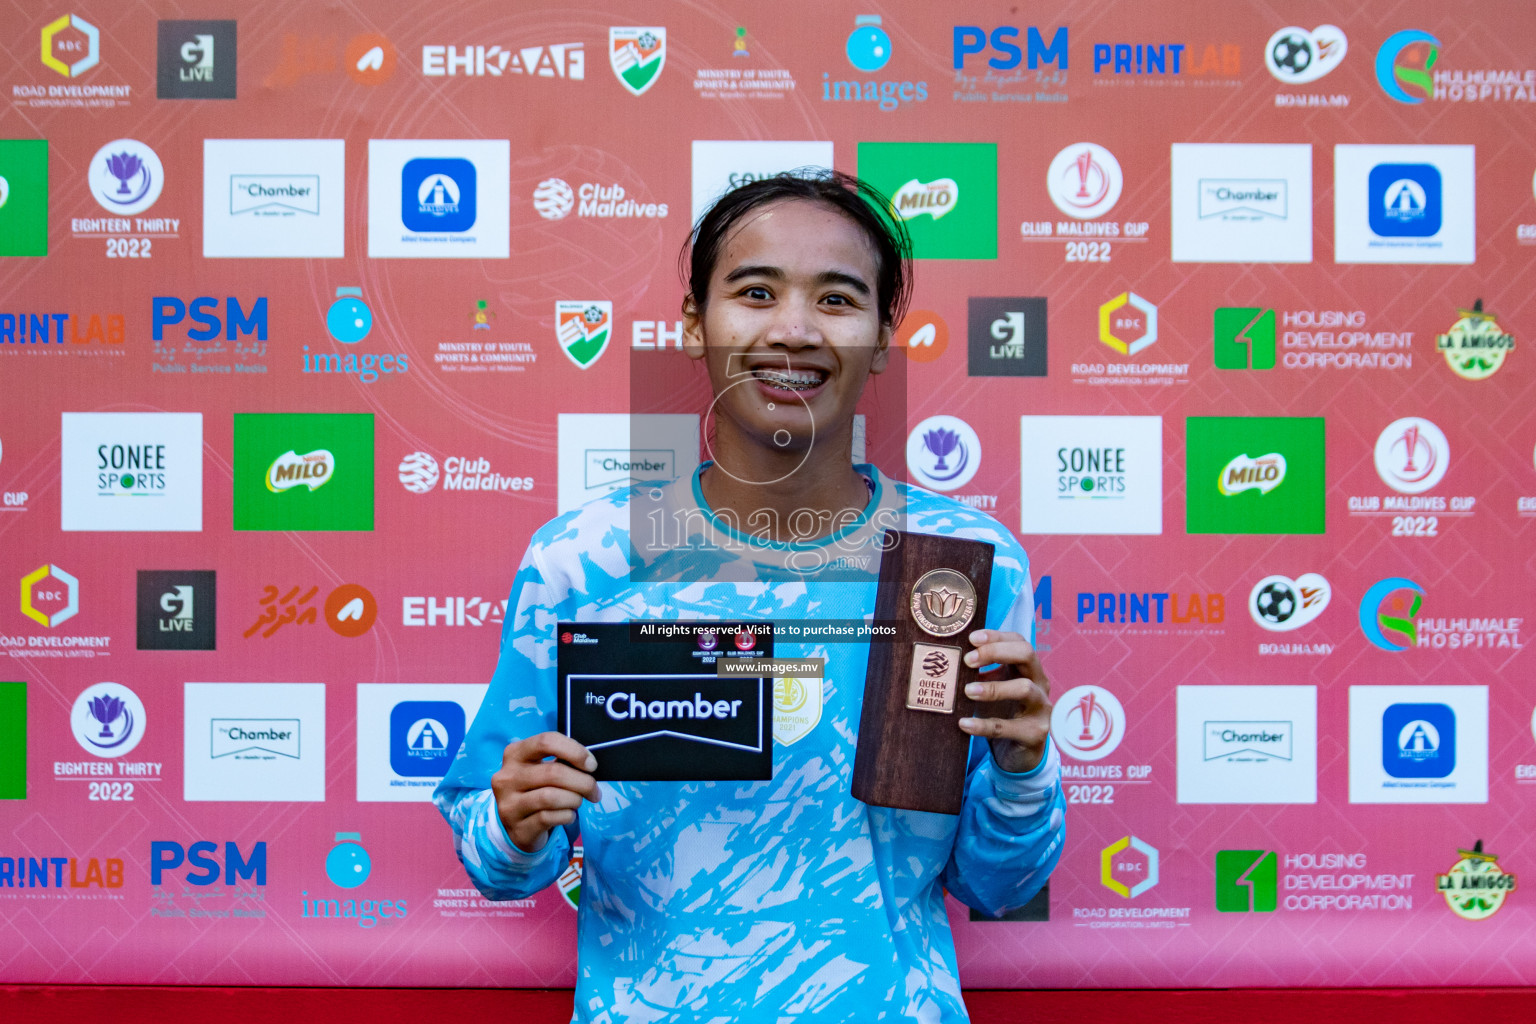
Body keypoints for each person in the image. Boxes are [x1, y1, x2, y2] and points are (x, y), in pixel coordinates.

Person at [435, 171, 1065, 1022]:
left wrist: (1024, 774)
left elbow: (998, 883)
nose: (794, 330)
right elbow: (497, 858)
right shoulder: (585, 563)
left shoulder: (954, 568)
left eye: (839, 299)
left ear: (883, 338)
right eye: (756, 292)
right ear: (695, 324)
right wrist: (512, 823)